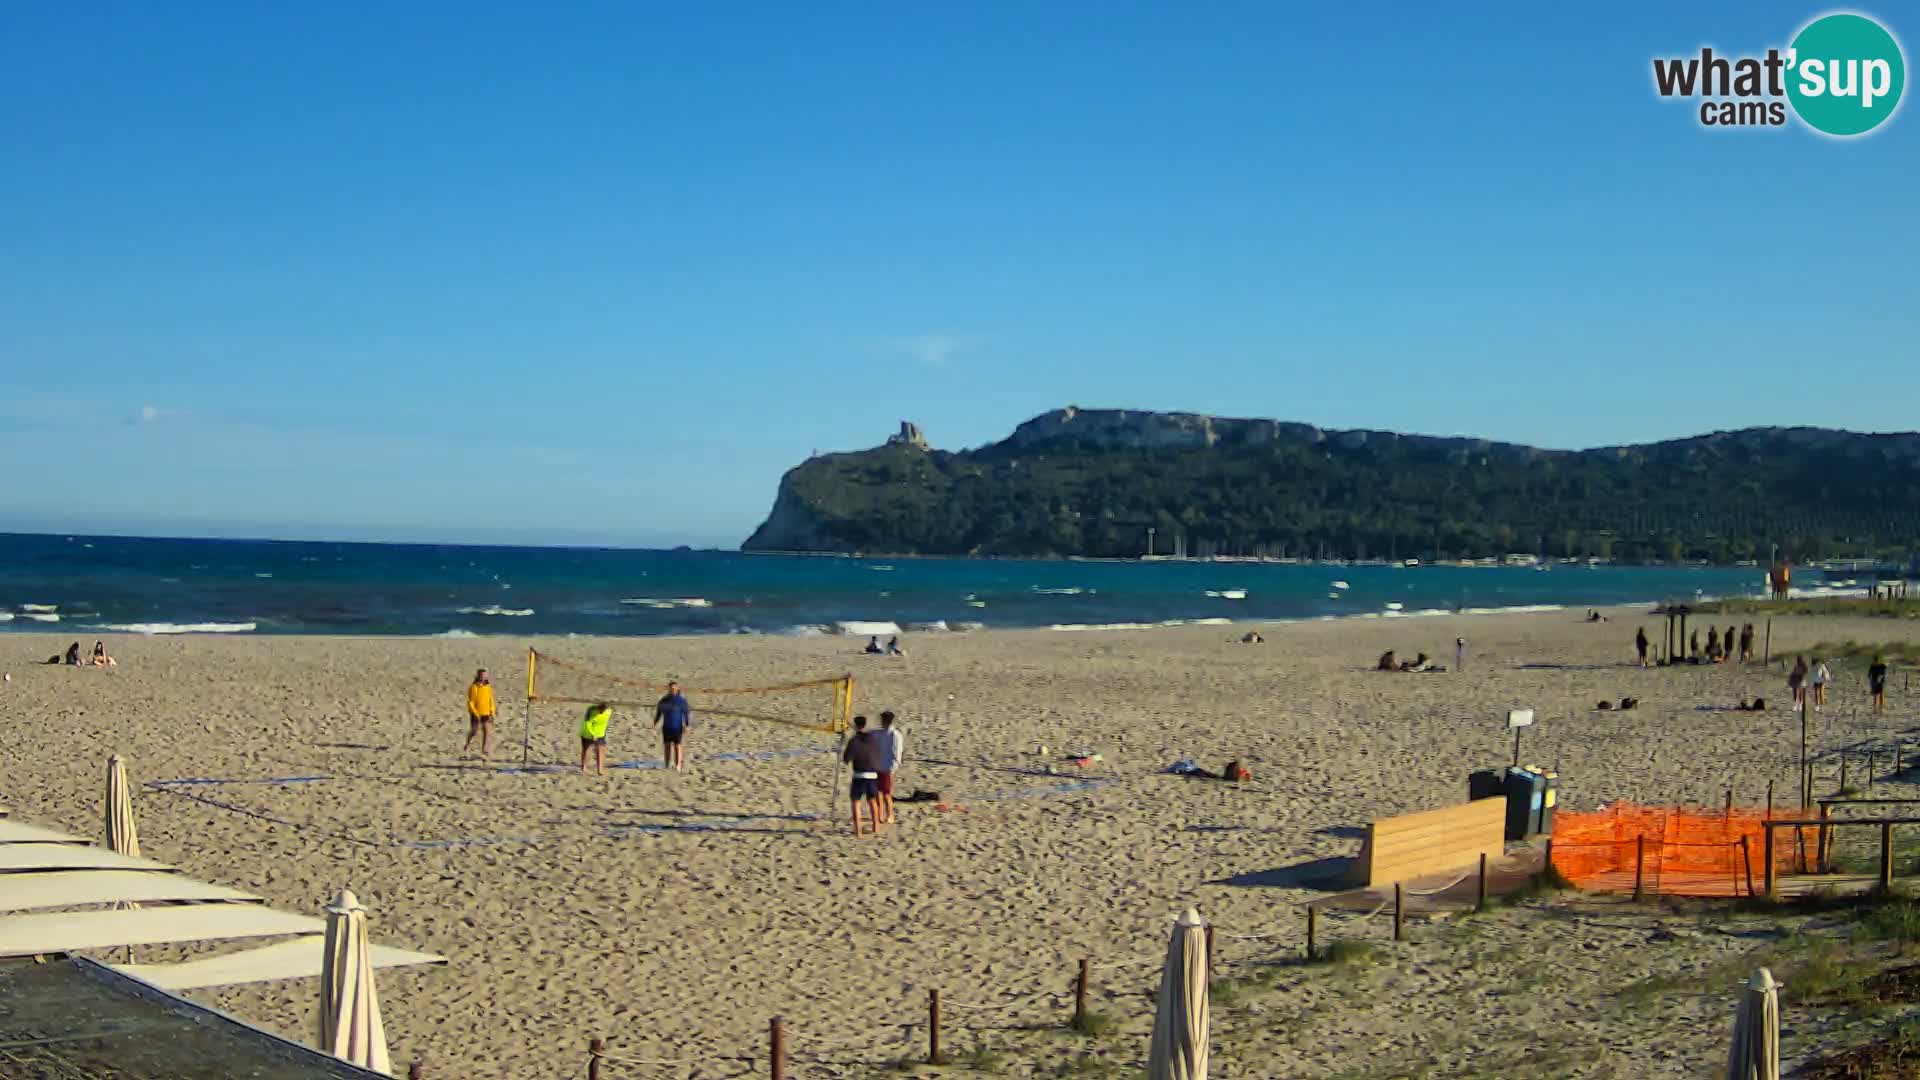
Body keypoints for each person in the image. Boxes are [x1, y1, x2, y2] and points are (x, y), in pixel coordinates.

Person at [841, 715, 885, 835]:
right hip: (872, 775)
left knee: (856, 802)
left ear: (856, 726)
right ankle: (876, 827)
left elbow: (846, 759)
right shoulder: (873, 740)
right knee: (872, 801)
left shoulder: (854, 741)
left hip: (859, 775)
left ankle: (858, 831)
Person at [876, 710, 905, 824]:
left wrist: (892, 769)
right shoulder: (880, 733)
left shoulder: (895, 735)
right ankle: (880, 814)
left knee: (887, 793)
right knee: (877, 792)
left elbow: (897, 754)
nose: (881, 722)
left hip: (888, 768)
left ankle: (890, 815)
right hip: (878, 766)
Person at [655, 680, 691, 772]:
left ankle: (678, 765)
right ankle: (666, 764)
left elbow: (686, 713)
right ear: (669, 689)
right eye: (671, 688)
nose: (672, 690)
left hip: (677, 727)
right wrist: (655, 721)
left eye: (674, 688)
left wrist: (687, 725)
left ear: (677, 689)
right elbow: (659, 712)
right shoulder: (664, 700)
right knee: (667, 745)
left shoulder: (681, 701)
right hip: (666, 727)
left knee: (677, 746)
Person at [464, 668, 495, 760]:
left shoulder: (488, 686)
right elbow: (471, 702)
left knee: (486, 731)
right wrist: (475, 713)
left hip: (485, 712)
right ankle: (467, 746)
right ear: (478, 676)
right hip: (476, 713)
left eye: (485, 675)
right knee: (474, 731)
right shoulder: (473, 687)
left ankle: (484, 750)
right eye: (481, 675)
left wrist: (492, 711)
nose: (483, 677)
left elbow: (491, 699)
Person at [579, 702, 612, 775]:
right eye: (601, 709)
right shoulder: (591, 709)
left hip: (600, 733)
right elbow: (587, 723)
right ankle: (583, 767)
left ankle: (599, 770)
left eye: (603, 709)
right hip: (587, 733)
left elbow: (604, 722)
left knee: (600, 750)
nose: (602, 711)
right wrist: (592, 734)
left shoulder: (609, 711)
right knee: (586, 749)